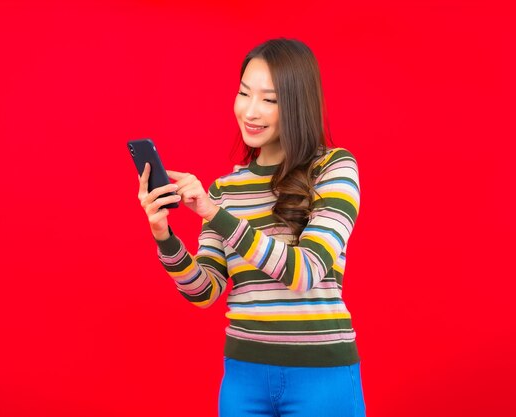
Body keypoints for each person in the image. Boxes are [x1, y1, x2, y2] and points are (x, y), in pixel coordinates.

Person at [137, 38, 366, 417]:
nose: (251, 111)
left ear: (296, 104)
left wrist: (216, 215)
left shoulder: (334, 168)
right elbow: (204, 291)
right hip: (243, 377)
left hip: (321, 376)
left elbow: (306, 271)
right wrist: (164, 236)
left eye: (270, 100)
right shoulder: (225, 190)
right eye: (244, 93)